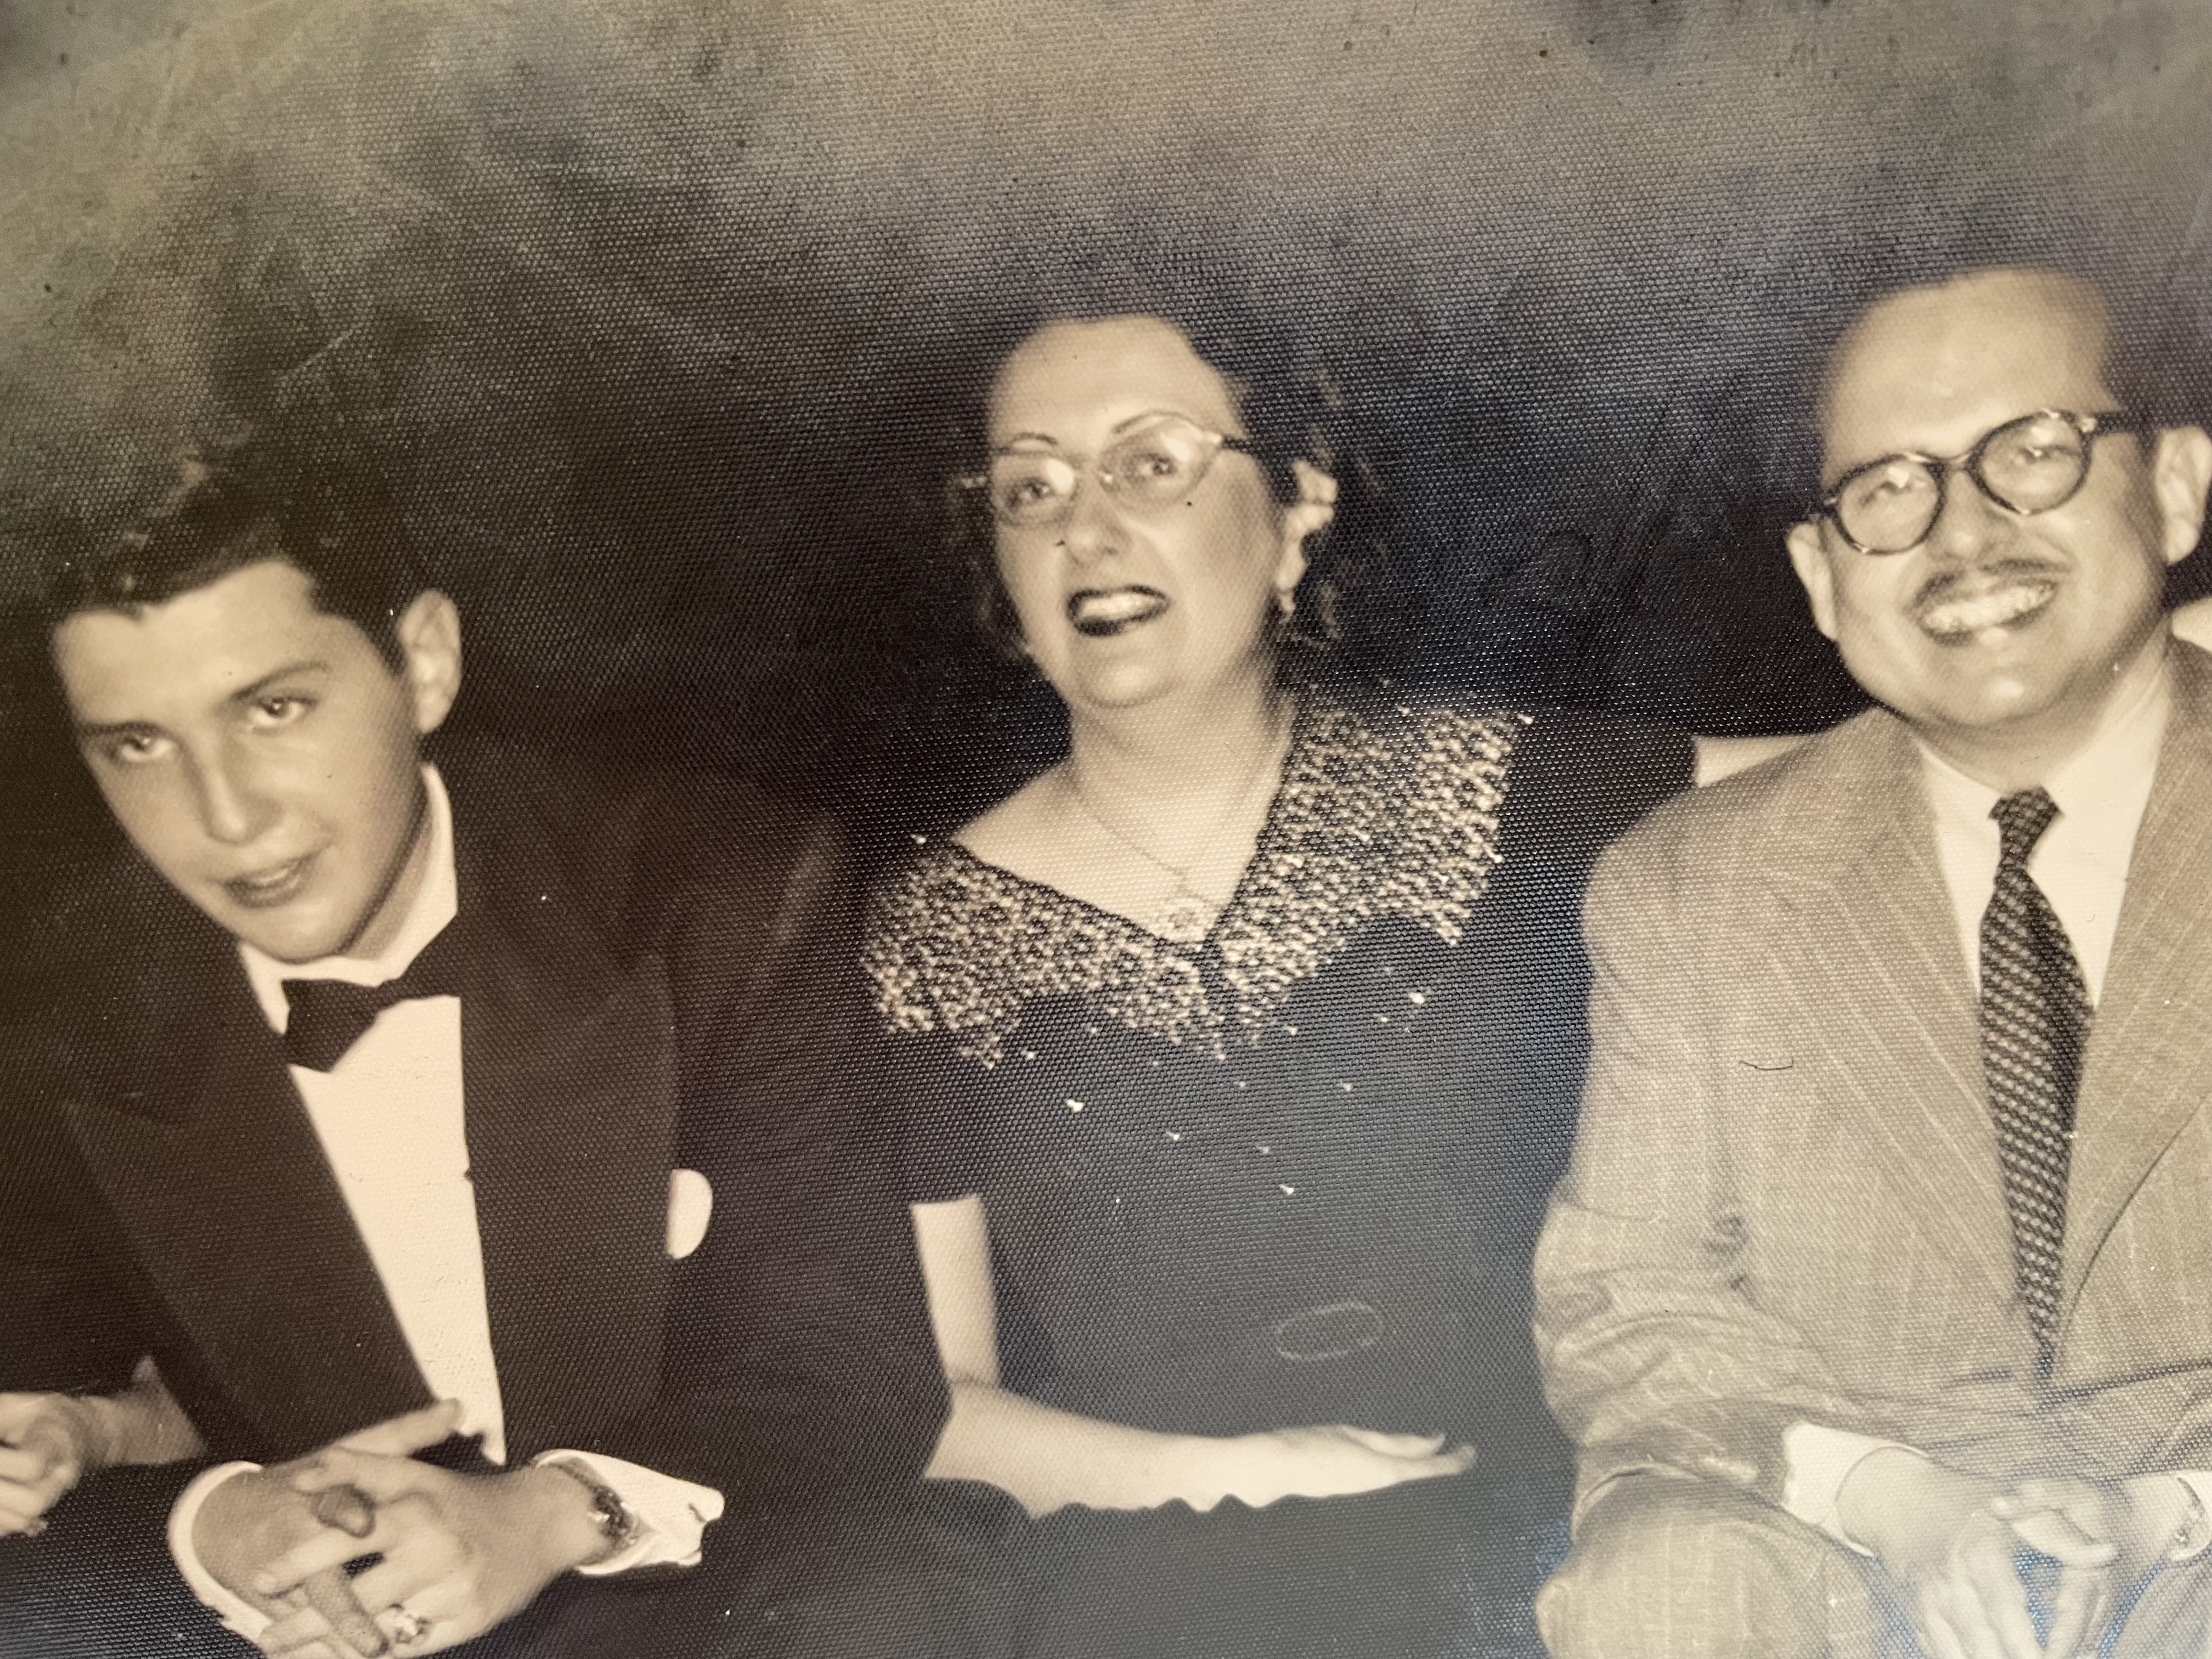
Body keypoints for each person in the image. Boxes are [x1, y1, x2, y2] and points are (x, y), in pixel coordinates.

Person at [862, 306, 1782, 1658]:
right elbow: (934, 1405)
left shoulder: (1489, 784)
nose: (1087, 530)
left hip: (1560, 1537)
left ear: (1299, 512)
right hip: (1157, 1568)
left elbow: (1887, 769)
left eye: (1151, 464)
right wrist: (1248, 1477)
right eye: (1032, 488)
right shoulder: (927, 933)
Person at [0, 447, 985, 1658]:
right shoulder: (64, 1019)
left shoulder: (720, 892)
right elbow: (49, 1429)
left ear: (423, 664)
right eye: (139, 747)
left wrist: (551, 1514)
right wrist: (214, 1524)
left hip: (719, 1603)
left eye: (275, 710)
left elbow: (847, 1372)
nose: (228, 817)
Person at [1533, 265, 2212, 1659]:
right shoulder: (1691, 889)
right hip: (1849, 1547)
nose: (1962, 535)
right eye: (1889, 490)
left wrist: (2167, 1515)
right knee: (1663, 1584)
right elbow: (1628, 1304)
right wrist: (1905, 1507)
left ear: (2175, 488)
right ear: (1823, 576)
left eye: (2033, 452)